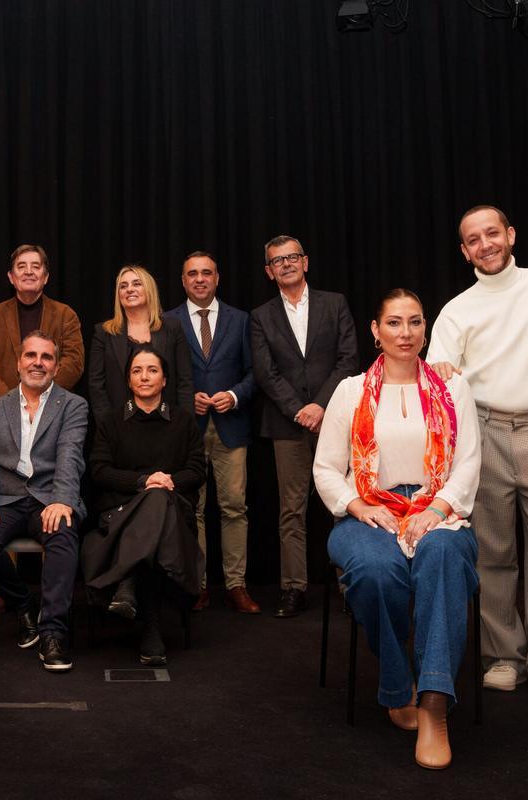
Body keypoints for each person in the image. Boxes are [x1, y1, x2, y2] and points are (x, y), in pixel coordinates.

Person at [314, 289, 481, 770]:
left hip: (439, 507)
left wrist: (440, 507)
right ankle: (395, 682)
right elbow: (326, 469)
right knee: (375, 570)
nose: (405, 333)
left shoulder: (454, 389)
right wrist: (358, 505)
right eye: (394, 323)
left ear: (425, 328)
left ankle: (433, 703)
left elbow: (468, 462)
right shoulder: (349, 391)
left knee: (443, 557)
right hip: (368, 510)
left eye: (414, 322)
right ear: (375, 330)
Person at [425, 206, 528, 700]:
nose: (485, 244)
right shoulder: (457, 309)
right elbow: (438, 377)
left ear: (510, 235)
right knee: (493, 552)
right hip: (485, 432)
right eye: (473, 239)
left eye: (492, 233)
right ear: (464, 251)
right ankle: (502, 657)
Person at [0, 243, 84, 615]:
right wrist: (13, 400)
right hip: (3, 420)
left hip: (51, 417)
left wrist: (42, 394)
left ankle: (51, 604)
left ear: (46, 276)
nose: (29, 272)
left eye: (36, 267)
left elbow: (74, 361)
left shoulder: (64, 315)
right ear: (11, 276)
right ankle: (6, 591)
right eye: (22, 266)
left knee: (55, 520)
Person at [0, 331, 88, 672]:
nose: (38, 362)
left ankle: (53, 633)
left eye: (46, 357)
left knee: (63, 534)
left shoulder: (73, 406)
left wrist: (63, 500)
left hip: (50, 496)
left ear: (56, 366)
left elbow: (70, 456)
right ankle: (24, 604)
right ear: (18, 364)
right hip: (6, 498)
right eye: (31, 355)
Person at [250, 235, 359, 618]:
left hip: (335, 419)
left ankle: (351, 583)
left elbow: (349, 359)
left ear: (305, 262)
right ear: (269, 271)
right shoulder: (261, 316)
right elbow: (265, 373)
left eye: (292, 257)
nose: (286, 264)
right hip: (287, 423)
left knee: (344, 505)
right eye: (277, 261)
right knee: (291, 511)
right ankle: (293, 588)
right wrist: (300, 410)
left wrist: (321, 406)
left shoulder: (335, 303)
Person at [82, 347, 206, 665]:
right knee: (153, 505)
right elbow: (99, 470)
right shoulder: (110, 422)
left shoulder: (183, 421)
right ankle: (152, 633)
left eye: (152, 370)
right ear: (128, 379)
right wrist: (143, 482)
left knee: (158, 502)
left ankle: (127, 581)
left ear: (164, 379)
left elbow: (196, 471)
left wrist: (165, 482)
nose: (144, 376)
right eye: (137, 371)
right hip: (120, 514)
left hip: (172, 513)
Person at [164, 251, 260, 613]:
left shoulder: (240, 320)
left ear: (217, 278)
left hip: (231, 427)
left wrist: (234, 396)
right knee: (193, 509)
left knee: (235, 507)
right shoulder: (168, 321)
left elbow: (256, 373)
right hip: (187, 430)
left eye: (206, 273)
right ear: (183, 281)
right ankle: (197, 585)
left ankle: (236, 585)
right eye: (192, 274)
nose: (200, 279)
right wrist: (189, 400)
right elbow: (161, 376)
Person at [87, 264, 193, 426]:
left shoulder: (173, 328)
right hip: (120, 426)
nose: (129, 289)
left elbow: (185, 381)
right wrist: (107, 427)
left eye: (136, 284)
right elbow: (96, 386)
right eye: (123, 286)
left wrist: (185, 425)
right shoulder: (103, 333)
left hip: (168, 425)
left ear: (149, 289)